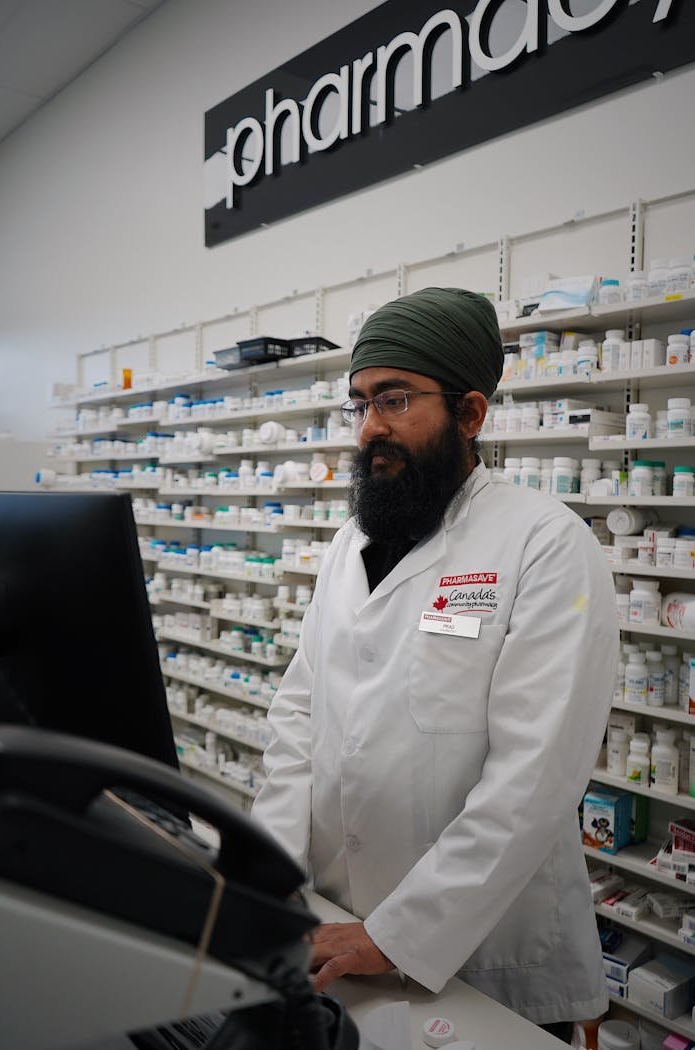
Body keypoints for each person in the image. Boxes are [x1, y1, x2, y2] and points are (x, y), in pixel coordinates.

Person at [252, 287, 618, 1039]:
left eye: (394, 400)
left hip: (482, 954)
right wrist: (271, 873)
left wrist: (400, 934)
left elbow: (536, 775)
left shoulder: (545, 544)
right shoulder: (345, 546)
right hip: (330, 920)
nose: (368, 429)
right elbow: (299, 716)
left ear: (471, 413)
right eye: (358, 403)